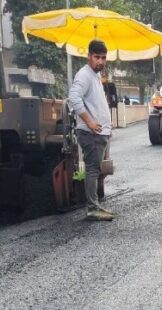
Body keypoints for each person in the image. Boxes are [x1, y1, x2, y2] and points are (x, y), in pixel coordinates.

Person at [68, 39, 114, 221]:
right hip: (91, 133)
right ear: (89, 56)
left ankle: (94, 206)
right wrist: (91, 122)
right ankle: (92, 208)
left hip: (99, 133)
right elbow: (74, 98)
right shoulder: (84, 75)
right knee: (93, 169)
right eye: (97, 57)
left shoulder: (94, 76)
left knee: (95, 169)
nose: (100, 61)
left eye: (103, 58)